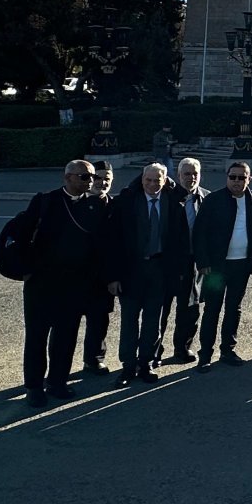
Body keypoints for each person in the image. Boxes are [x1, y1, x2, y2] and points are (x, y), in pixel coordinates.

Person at [2, 160, 107, 406]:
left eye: (91, 177)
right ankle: (34, 386)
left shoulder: (94, 206)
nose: (89, 181)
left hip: (74, 284)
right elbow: (19, 236)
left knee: (66, 336)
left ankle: (58, 381)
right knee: (37, 336)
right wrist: (25, 271)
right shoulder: (45, 201)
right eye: (84, 176)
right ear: (67, 177)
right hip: (41, 282)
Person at [106, 163, 190, 386]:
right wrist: (113, 276)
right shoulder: (127, 201)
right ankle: (128, 366)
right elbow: (113, 242)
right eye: (148, 180)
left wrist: (179, 272)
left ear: (165, 180)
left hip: (160, 269)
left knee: (153, 321)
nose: (152, 185)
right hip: (131, 270)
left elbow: (182, 241)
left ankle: (146, 363)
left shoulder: (173, 202)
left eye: (157, 180)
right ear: (141, 180)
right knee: (130, 320)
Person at [193, 161, 252, 370]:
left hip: (241, 266)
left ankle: (228, 349)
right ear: (227, 177)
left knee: (234, 308)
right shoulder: (213, 200)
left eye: (241, 177)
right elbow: (200, 233)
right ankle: (205, 353)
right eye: (232, 177)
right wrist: (203, 262)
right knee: (212, 308)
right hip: (216, 267)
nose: (236, 181)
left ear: (249, 179)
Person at [156, 156, 206, 367]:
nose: (191, 177)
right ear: (177, 175)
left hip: (195, 264)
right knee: (161, 311)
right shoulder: (166, 196)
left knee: (190, 310)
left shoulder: (206, 198)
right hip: (169, 264)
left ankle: (183, 347)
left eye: (195, 173)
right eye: (187, 173)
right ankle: (154, 351)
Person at [81, 161, 115, 374]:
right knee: (66, 324)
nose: (102, 183)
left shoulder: (115, 205)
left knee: (99, 320)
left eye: (107, 179)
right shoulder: (77, 202)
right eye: (98, 177)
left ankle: (94, 359)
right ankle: (59, 366)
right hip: (75, 274)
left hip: (103, 276)